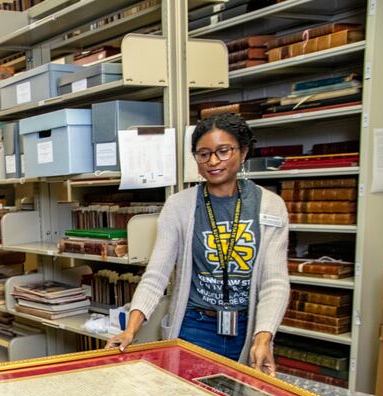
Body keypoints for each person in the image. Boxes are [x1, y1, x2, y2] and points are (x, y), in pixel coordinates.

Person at [107, 112, 290, 375]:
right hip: (195, 325)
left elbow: (275, 281)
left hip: (247, 327)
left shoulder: (270, 205)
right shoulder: (179, 206)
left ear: (243, 151)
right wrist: (131, 329)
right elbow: (156, 275)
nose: (213, 161)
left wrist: (264, 337)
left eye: (223, 151)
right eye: (203, 154)